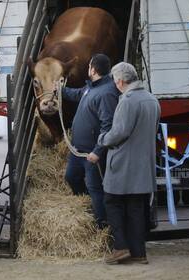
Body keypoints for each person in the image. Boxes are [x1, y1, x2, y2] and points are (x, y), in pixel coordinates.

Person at [98, 62, 160, 265]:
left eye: (115, 81)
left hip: (124, 163)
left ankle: (121, 248)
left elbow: (119, 133)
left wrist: (103, 139)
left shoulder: (127, 101)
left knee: (112, 202)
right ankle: (139, 252)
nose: (115, 84)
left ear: (121, 81)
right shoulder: (152, 99)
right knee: (136, 207)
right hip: (144, 164)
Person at [63, 54, 120, 227]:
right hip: (78, 150)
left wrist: (98, 151)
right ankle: (87, 209)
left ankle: (101, 224)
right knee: (71, 177)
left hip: (91, 152)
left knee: (95, 187)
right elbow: (77, 94)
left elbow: (107, 126)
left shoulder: (107, 93)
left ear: (93, 70)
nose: (88, 69)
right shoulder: (91, 88)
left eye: (89, 67)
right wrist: (59, 90)